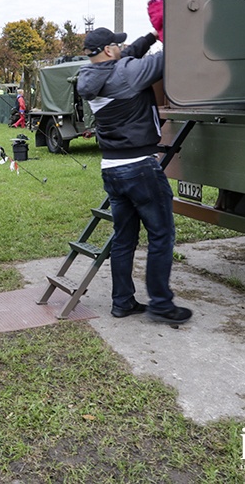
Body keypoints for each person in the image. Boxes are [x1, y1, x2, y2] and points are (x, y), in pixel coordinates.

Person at [76, 26, 192, 325]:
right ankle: (162, 304)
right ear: (108, 50)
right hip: (140, 167)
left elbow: (127, 55)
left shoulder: (91, 77)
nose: (122, 46)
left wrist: (150, 36)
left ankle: (122, 302)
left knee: (124, 239)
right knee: (161, 235)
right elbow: (171, 56)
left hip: (111, 168)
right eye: (117, 44)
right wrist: (173, 28)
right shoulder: (128, 74)